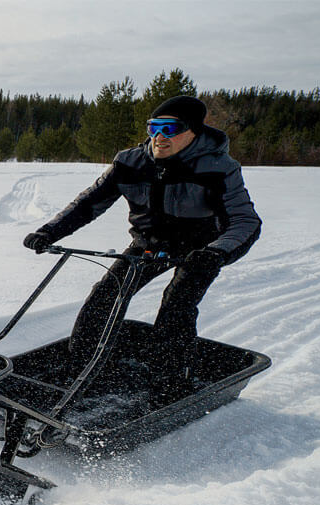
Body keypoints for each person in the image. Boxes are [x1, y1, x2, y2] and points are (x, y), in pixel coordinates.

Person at [23, 95, 261, 404]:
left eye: (170, 129)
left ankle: (171, 384)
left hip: (200, 249)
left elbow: (245, 220)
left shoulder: (218, 167)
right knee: (104, 298)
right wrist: (49, 232)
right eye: (154, 128)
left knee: (177, 304)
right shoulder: (130, 162)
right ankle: (84, 372)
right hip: (149, 242)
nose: (160, 137)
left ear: (193, 131)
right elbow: (89, 203)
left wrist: (216, 253)